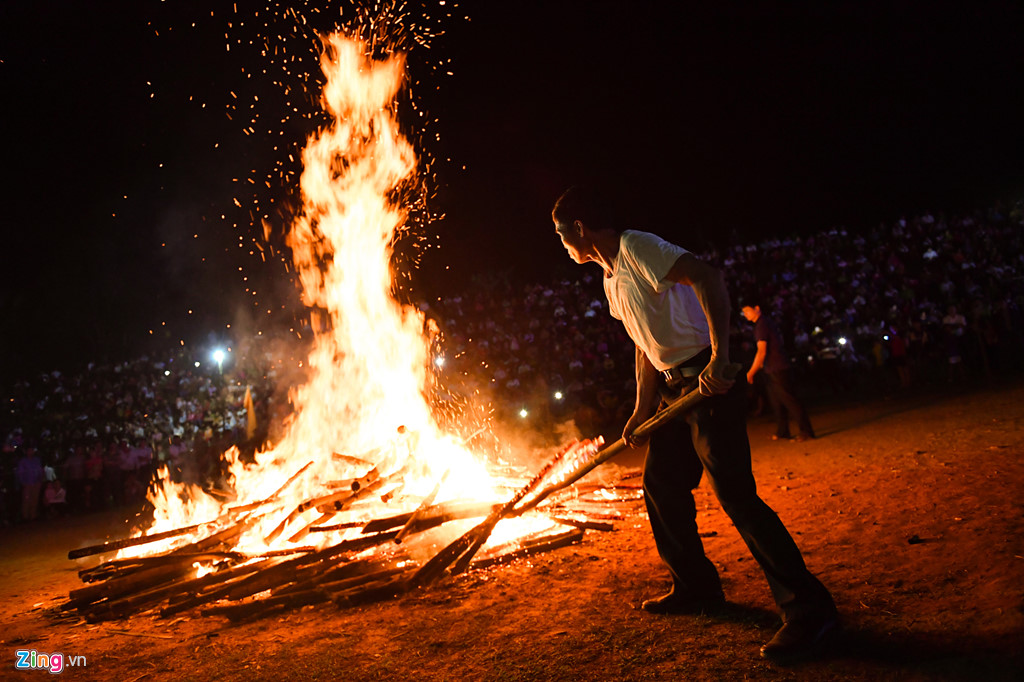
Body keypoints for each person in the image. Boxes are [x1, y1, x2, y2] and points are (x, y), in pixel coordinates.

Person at [552, 186, 838, 661]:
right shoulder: (609, 279)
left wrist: (721, 358)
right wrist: (642, 409)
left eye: (561, 234)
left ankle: (810, 609)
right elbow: (643, 347)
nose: (560, 244)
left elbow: (708, 278)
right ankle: (696, 587)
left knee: (734, 494)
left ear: (579, 228)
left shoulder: (637, 246)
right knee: (661, 485)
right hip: (672, 390)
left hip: (708, 382)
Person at [740, 301, 816, 441]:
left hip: (778, 367)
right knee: (776, 401)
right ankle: (783, 431)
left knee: (789, 399)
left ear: (757, 308)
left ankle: (806, 431)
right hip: (772, 368)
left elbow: (761, 352)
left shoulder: (762, 325)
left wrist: (751, 373)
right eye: (743, 312)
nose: (745, 315)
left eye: (747, 311)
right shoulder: (762, 324)